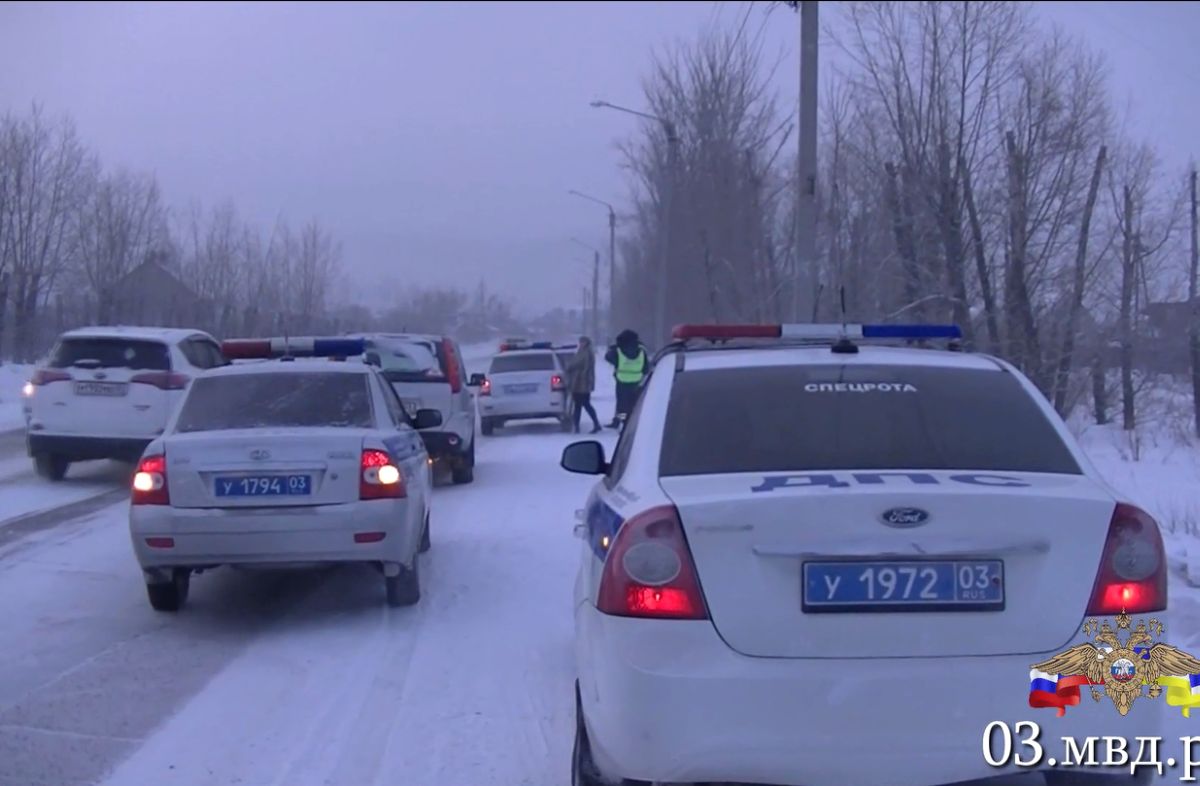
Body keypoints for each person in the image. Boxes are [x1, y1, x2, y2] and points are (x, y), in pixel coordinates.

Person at [605, 329, 648, 428]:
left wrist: (614, 348)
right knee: (633, 404)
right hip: (637, 381)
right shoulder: (642, 351)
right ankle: (630, 422)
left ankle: (624, 423)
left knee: (621, 405)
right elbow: (646, 368)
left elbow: (608, 357)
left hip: (622, 381)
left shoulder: (618, 350)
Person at [565, 336, 602, 434]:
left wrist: (569, 367)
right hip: (579, 382)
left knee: (585, 404)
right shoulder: (582, 351)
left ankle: (594, 424)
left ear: (587, 343)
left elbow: (577, 364)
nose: (581, 343)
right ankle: (577, 426)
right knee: (579, 405)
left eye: (583, 342)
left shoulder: (586, 353)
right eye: (580, 341)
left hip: (583, 382)